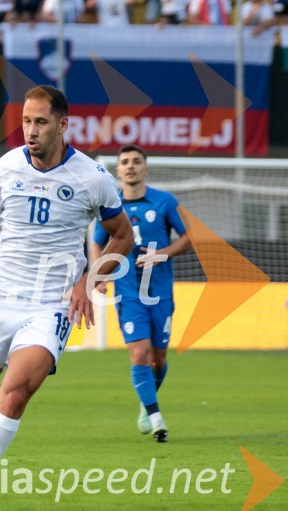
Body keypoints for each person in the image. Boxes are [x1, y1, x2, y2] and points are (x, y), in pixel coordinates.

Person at [0, 85, 134, 511]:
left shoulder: (92, 177)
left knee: (16, 393)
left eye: (40, 122)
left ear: (62, 124)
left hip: (50, 304)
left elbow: (124, 236)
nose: (31, 131)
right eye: (26, 122)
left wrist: (87, 281)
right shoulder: (3, 169)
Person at [91, 145, 190, 443]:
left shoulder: (164, 202)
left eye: (136, 161)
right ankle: (157, 416)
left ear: (145, 167)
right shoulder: (112, 205)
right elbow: (97, 241)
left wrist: (164, 254)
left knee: (158, 360)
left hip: (160, 293)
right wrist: (99, 273)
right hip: (128, 292)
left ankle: (146, 402)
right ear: (118, 170)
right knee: (139, 352)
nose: (130, 166)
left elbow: (189, 236)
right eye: (124, 162)